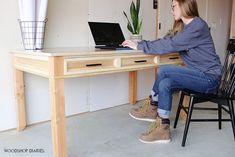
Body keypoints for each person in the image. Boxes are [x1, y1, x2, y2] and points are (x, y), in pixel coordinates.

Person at [122, 0, 222, 144]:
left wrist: (140, 46)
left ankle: (152, 105)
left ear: (184, 5)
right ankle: (163, 129)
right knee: (165, 84)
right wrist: (140, 44)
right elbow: (166, 40)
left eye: (173, 6)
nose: (171, 10)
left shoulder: (198, 26)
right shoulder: (184, 27)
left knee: (164, 71)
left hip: (209, 78)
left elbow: (171, 44)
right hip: (199, 75)